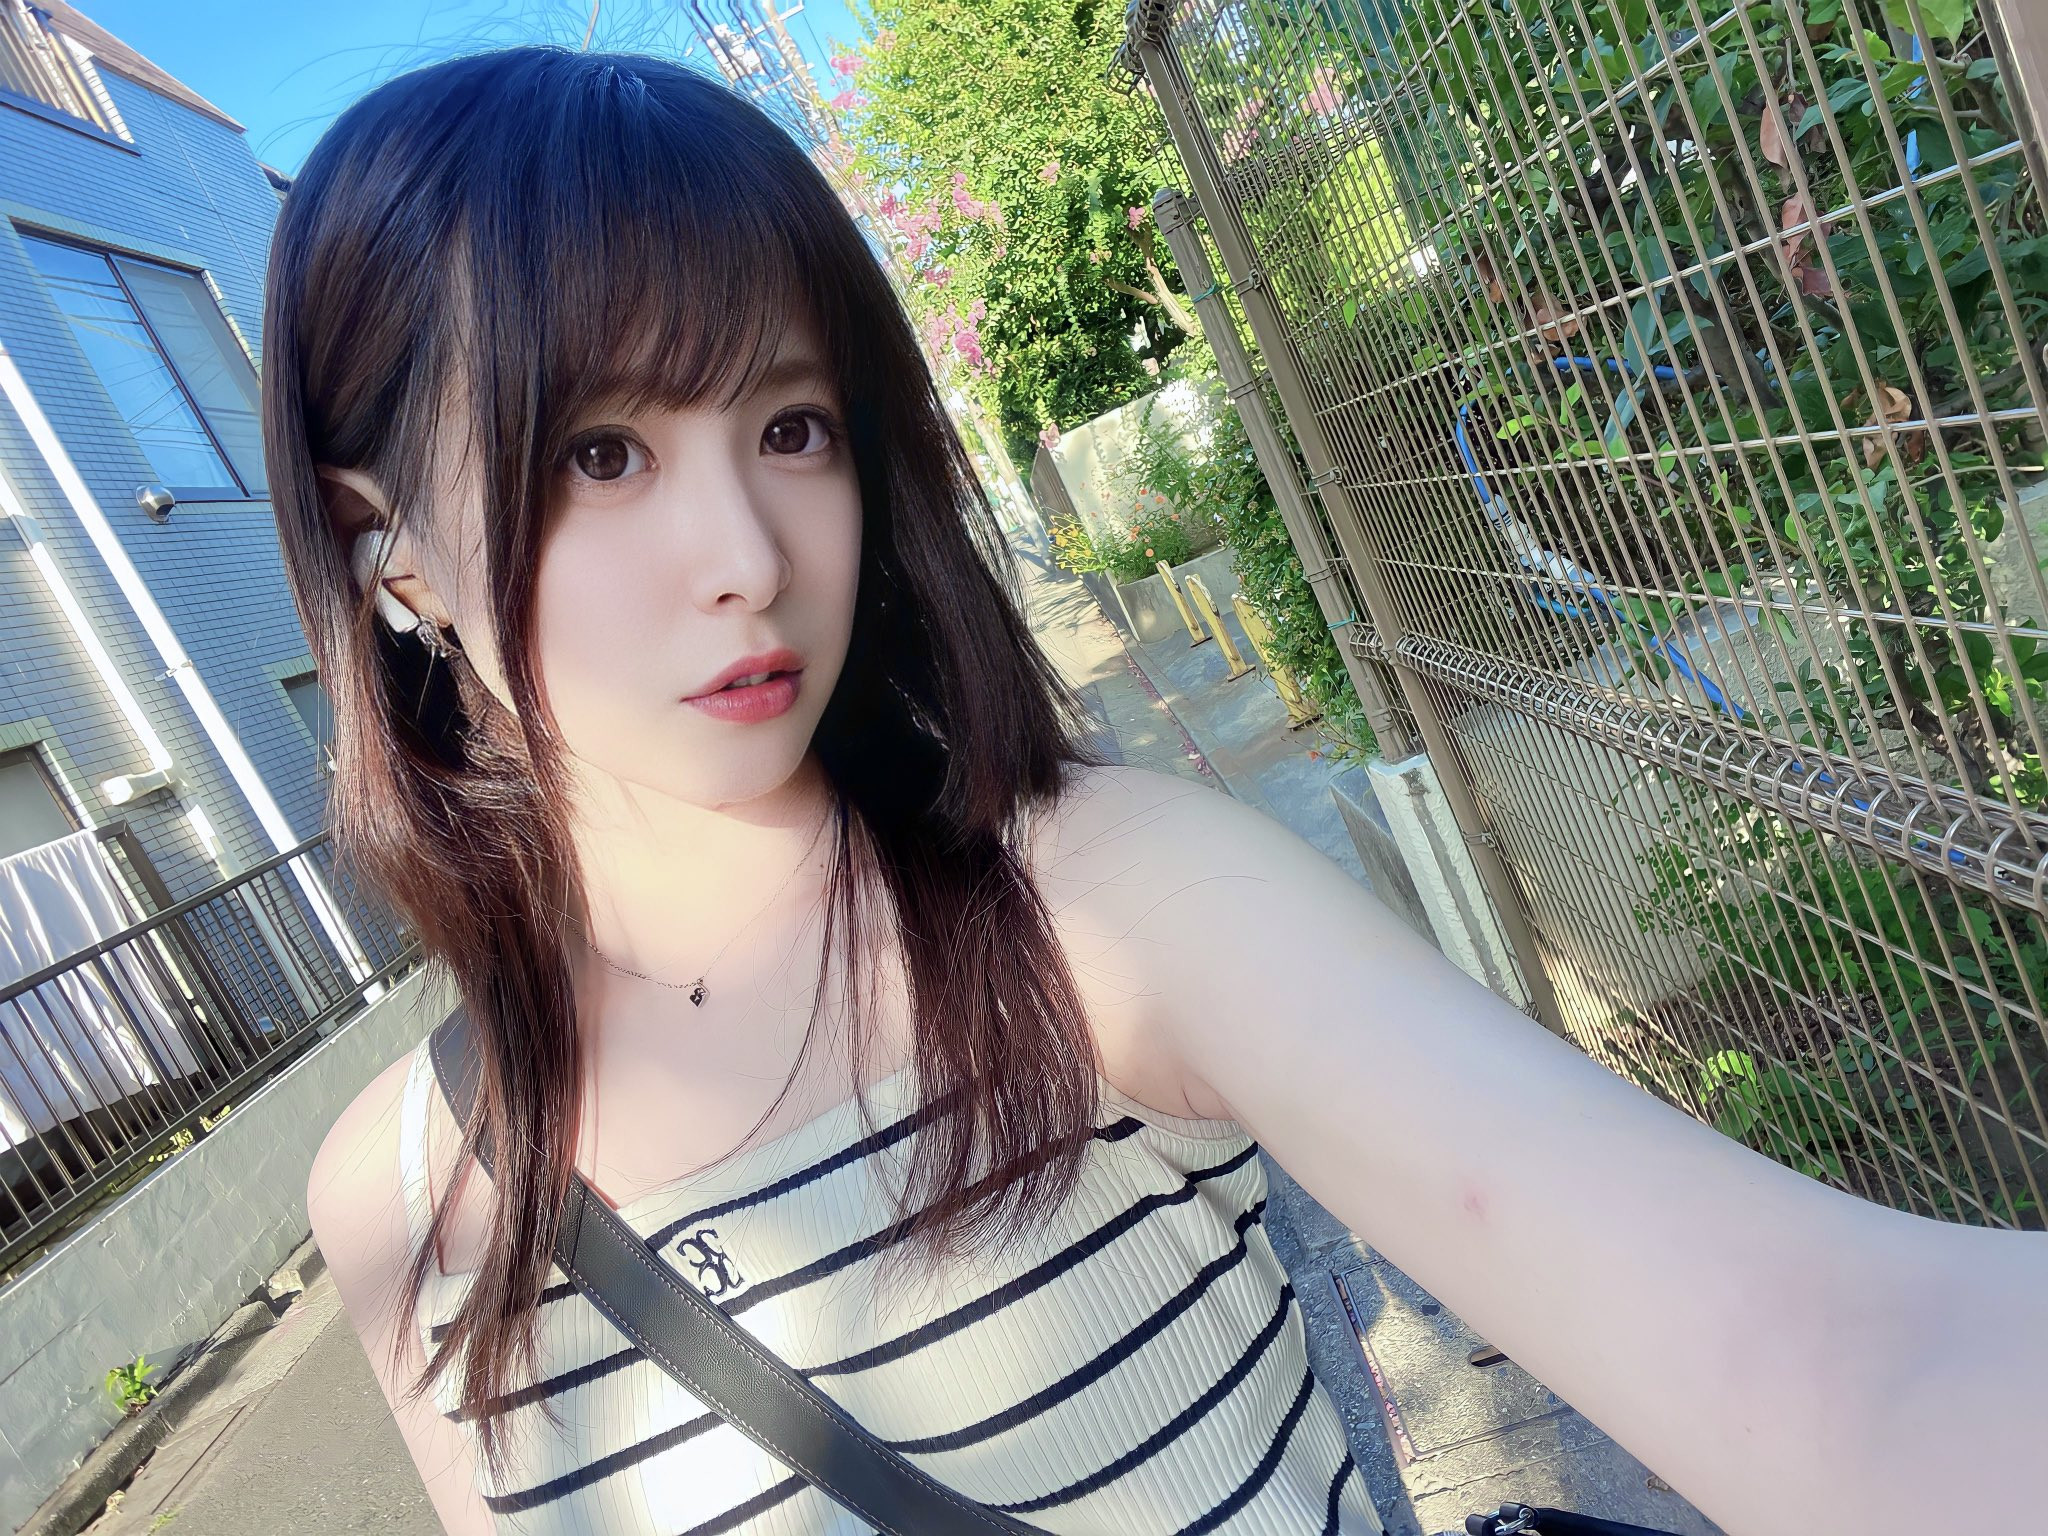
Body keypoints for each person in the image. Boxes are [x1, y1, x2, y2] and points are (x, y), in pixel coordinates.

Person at [278, 46, 2044, 1536]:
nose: (747, 554)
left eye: (792, 429)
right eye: (602, 455)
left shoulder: (1098, 911)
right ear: (389, 552)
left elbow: (1828, 1353)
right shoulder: (399, 1202)